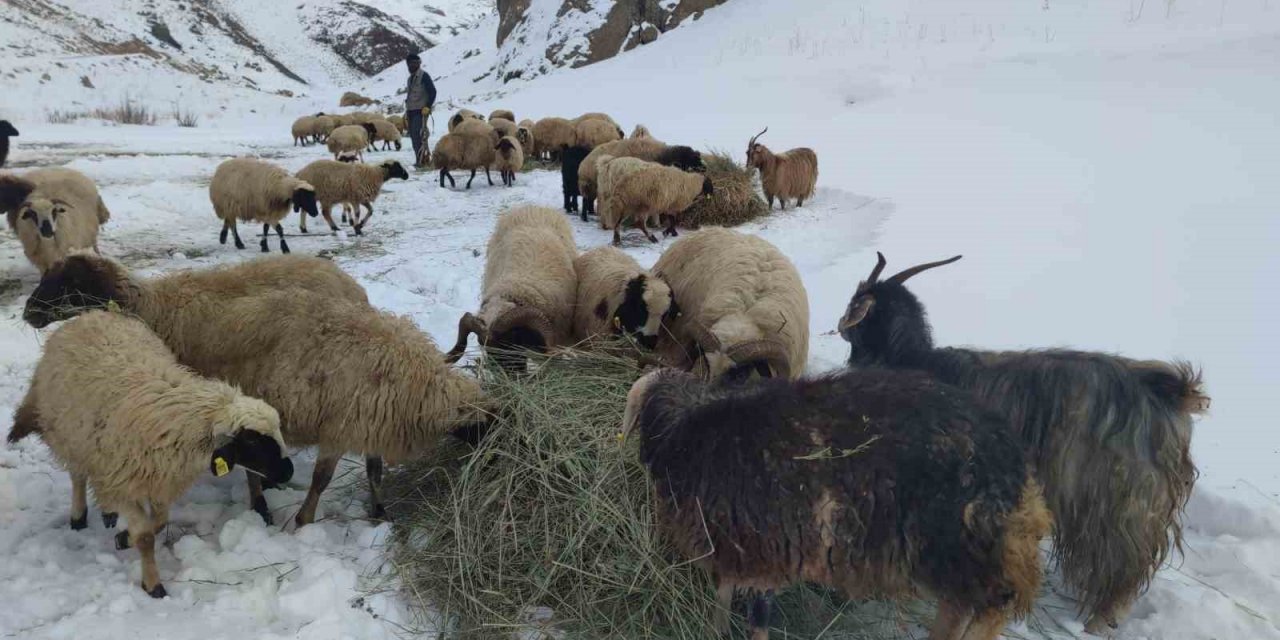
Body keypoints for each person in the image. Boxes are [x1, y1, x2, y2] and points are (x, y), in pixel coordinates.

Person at [404, 53, 437, 168]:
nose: (411, 66)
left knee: (418, 135)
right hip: (411, 110)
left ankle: (422, 160)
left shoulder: (424, 76)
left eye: (414, 63)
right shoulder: (410, 79)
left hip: (420, 111)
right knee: (413, 136)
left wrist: (428, 106)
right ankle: (419, 158)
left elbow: (433, 92)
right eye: (409, 64)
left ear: (418, 63)